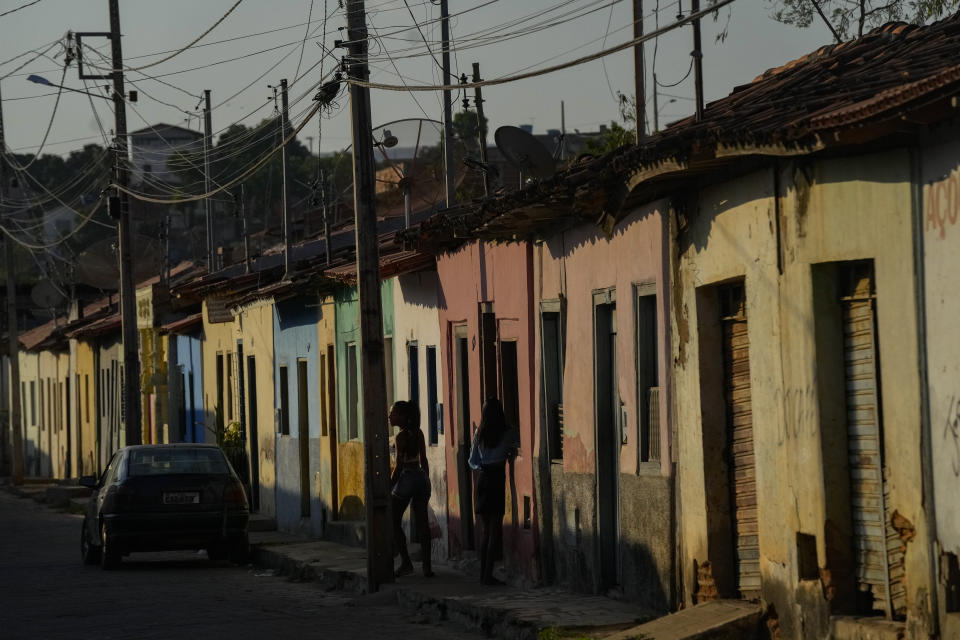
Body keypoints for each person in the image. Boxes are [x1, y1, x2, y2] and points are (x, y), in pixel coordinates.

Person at [468, 398, 516, 586]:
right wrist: (508, 454)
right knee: (494, 531)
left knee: (486, 531)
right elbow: (512, 447)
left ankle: (483, 575)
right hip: (497, 479)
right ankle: (488, 575)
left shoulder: (479, 434)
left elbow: (472, 461)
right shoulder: (508, 432)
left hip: (483, 479)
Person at [389, 400, 434, 578]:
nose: (389, 416)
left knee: (393, 521)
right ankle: (427, 567)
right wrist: (426, 480)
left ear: (402, 416)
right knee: (423, 524)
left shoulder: (399, 437)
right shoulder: (419, 433)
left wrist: (389, 486)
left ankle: (406, 562)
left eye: (393, 413)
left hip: (407, 478)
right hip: (421, 478)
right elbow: (424, 460)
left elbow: (399, 467)